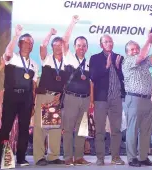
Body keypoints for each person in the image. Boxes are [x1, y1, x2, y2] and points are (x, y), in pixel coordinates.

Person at [33, 15, 78, 166]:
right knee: (40, 127)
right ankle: (39, 157)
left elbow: (66, 39)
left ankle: (53, 156)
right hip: (44, 95)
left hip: (57, 98)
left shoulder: (67, 61)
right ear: (52, 47)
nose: (59, 47)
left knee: (55, 128)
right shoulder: (46, 59)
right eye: (56, 45)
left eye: (61, 45)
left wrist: (72, 23)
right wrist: (50, 34)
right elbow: (42, 46)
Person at [0, 25, 38, 166]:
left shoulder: (34, 65)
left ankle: (21, 158)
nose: (28, 45)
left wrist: (33, 103)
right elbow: (8, 51)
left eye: (30, 43)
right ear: (20, 44)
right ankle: (0, 157)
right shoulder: (12, 57)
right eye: (25, 42)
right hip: (11, 97)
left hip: (26, 99)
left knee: (24, 129)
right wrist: (16, 35)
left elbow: (33, 87)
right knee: (6, 127)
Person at [122, 31, 152, 167]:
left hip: (147, 100)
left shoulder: (144, 62)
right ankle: (132, 158)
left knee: (146, 130)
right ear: (127, 52)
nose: (135, 51)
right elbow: (141, 56)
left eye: (136, 49)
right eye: (132, 49)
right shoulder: (128, 61)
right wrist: (149, 40)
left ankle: (143, 157)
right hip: (134, 99)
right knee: (132, 129)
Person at [89, 34, 125, 166]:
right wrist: (106, 66)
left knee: (116, 129)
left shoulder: (119, 58)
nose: (109, 43)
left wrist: (117, 66)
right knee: (100, 130)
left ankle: (115, 156)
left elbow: (123, 77)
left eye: (110, 41)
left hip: (116, 98)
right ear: (101, 45)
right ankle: (100, 157)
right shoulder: (95, 58)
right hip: (101, 99)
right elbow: (93, 76)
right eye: (106, 42)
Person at [61, 16, 92, 165]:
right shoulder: (68, 57)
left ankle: (79, 157)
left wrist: (91, 100)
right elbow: (65, 40)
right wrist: (72, 23)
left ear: (87, 48)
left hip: (85, 99)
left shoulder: (89, 62)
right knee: (68, 129)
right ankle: (68, 157)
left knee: (82, 129)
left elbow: (91, 82)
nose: (82, 48)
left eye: (84, 45)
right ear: (74, 47)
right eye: (79, 45)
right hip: (71, 98)